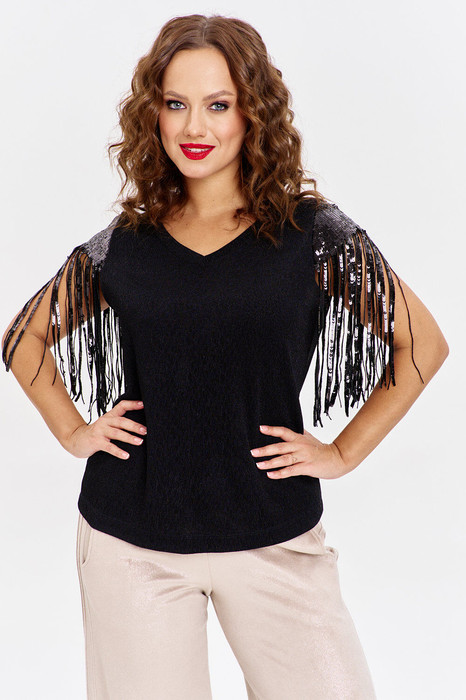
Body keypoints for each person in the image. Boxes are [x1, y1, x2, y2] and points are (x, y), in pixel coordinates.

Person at [1, 13, 448, 700]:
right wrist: (73, 431)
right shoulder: (126, 245)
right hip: (133, 545)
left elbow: (423, 344)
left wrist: (342, 453)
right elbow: (23, 337)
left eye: (218, 105)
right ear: (153, 113)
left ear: (252, 113)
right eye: (175, 104)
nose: (194, 127)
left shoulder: (312, 235)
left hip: (275, 534)